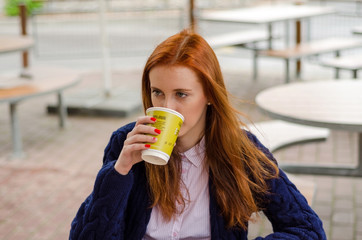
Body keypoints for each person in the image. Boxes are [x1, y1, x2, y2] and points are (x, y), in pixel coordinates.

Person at [69, 29, 326, 240]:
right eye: (157, 92)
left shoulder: (240, 151)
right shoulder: (127, 143)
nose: (166, 107)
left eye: (181, 94)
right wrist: (119, 172)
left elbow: (308, 230)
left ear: (210, 96)